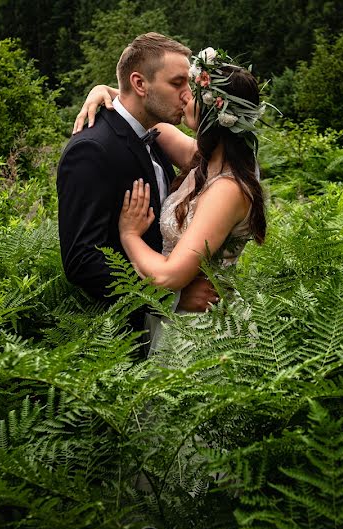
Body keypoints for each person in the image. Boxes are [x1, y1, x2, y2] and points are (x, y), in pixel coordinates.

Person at [72, 47, 268, 351]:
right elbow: (140, 109)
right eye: (181, 86)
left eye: (192, 92)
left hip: (202, 329)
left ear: (214, 113)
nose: (185, 96)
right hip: (176, 319)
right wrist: (101, 90)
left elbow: (168, 275)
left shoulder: (227, 189)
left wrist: (129, 234)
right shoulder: (201, 159)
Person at [57, 33, 218, 341]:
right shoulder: (91, 149)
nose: (188, 95)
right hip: (124, 337)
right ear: (140, 84)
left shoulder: (153, 135)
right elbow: (82, 261)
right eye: (177, 83)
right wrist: (169, 299)